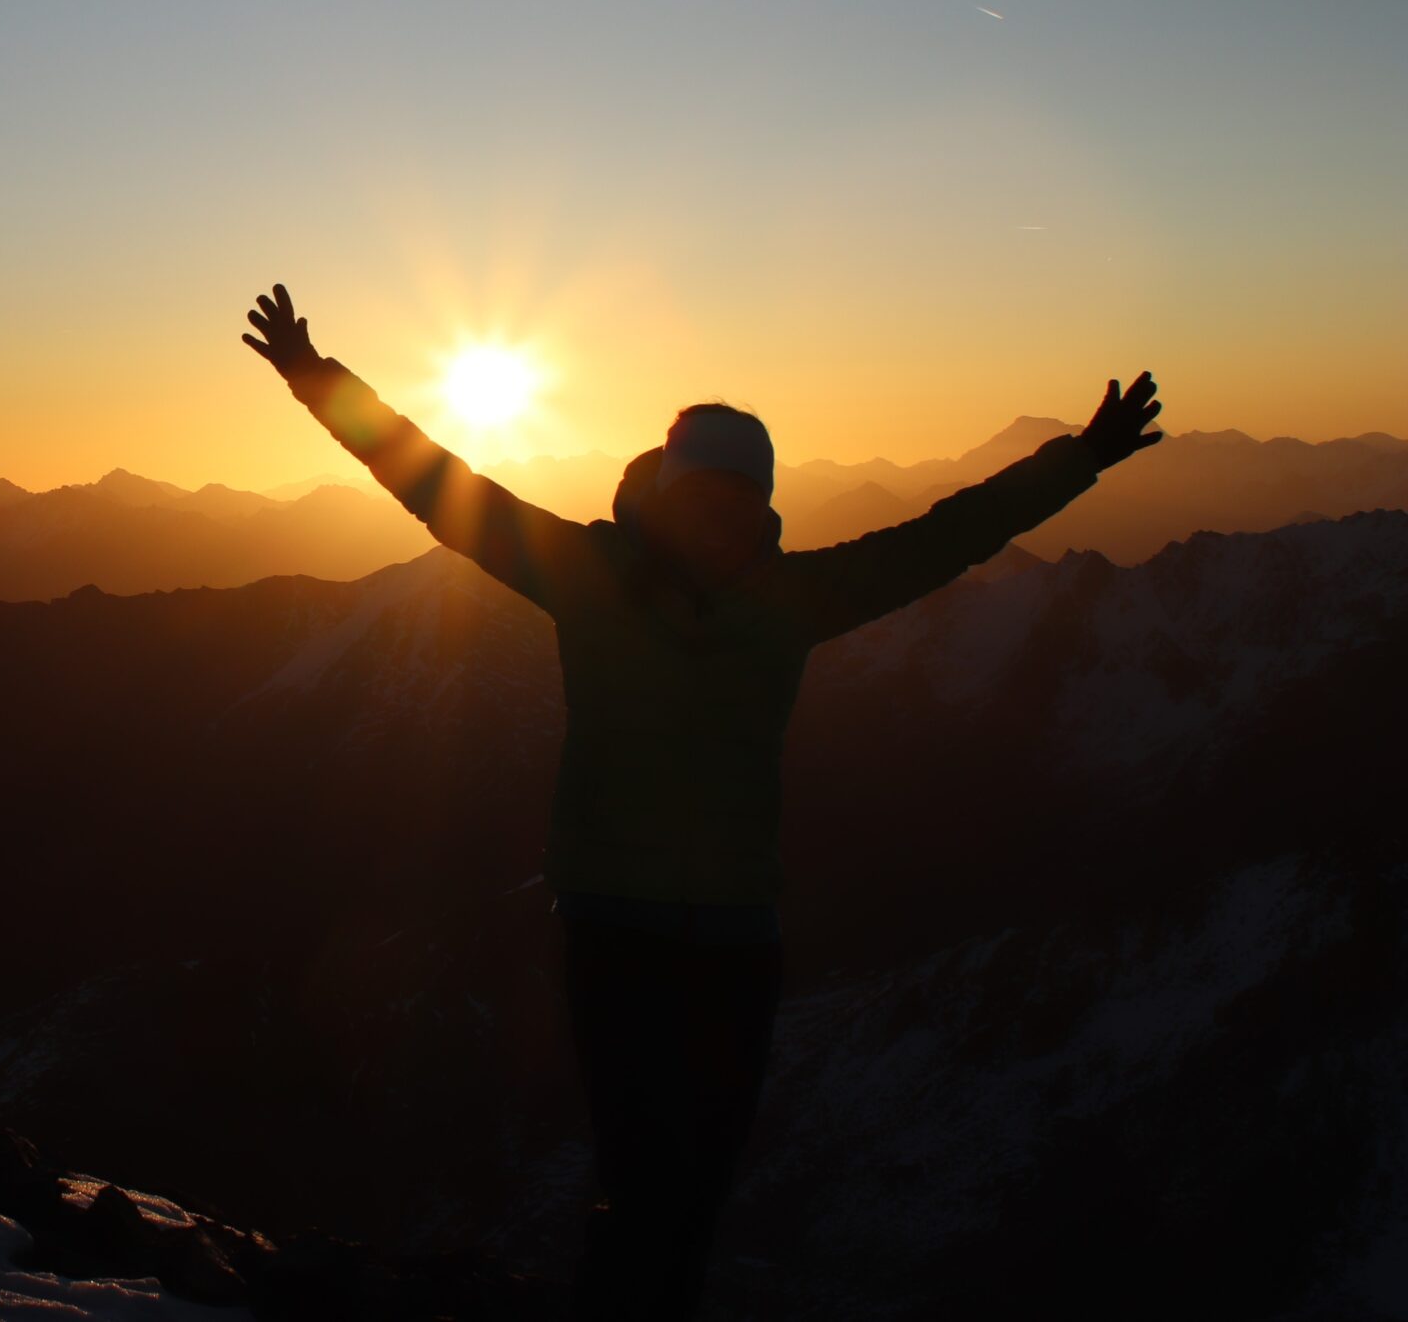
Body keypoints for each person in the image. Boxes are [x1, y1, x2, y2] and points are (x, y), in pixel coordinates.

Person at [241, 282, 1162, 1321]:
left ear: (760, 508)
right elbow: (431, 477)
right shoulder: (596, 574)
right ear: (670, 499)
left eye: (737, 503)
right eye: (703, 500)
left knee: (694, 1189)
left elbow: (950, 534)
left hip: (727, 939)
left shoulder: (782, 601)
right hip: (620, 932)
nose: (720, 521)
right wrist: (315, 379)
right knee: (644, 1180)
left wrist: (1080, 458)